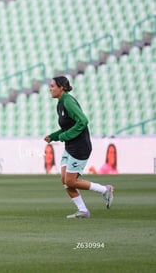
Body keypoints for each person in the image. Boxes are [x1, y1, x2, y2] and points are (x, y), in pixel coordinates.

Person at [44, 76, 114, 218]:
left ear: (61, 87)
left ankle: (105, 190)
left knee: (70, 181)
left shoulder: (68, 101)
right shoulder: (60, 103)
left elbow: (83, 121)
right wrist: (54, 136)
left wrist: (64, 136)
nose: (50, 89)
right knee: (65, 180)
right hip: (70, 146)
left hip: (80, 147)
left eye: (52, 86)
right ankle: (83, 210)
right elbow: (67, 127)